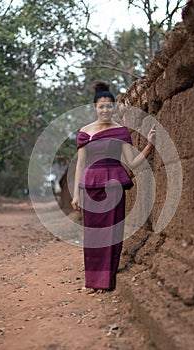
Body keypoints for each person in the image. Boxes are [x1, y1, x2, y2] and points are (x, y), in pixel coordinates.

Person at [71, 81, 155, 294]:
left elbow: (132, 162)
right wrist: (75, 194)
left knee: (111, 234)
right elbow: (81, 164)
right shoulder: (84, 132)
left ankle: (105, 281)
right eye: (101, 106)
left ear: (113, 108)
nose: (106, 110)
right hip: (91, 185)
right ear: (94, 108)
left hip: (114, 185)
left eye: (109, 106)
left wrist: (149, 145)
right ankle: (92, 281)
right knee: (92, 235)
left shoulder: (120, 132)